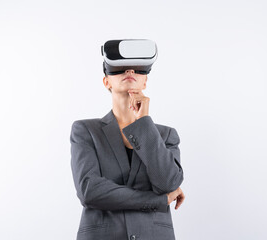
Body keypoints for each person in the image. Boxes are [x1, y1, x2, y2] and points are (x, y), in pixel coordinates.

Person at [70, 40, 185, 240]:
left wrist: (144, 123)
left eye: (139, 69)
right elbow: (90, 191)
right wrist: (155, 200)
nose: (130, 70)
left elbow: (168, 183)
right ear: (106, 81)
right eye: (119, 68)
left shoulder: (166, 135)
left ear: (145, 82)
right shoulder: (86, 131)